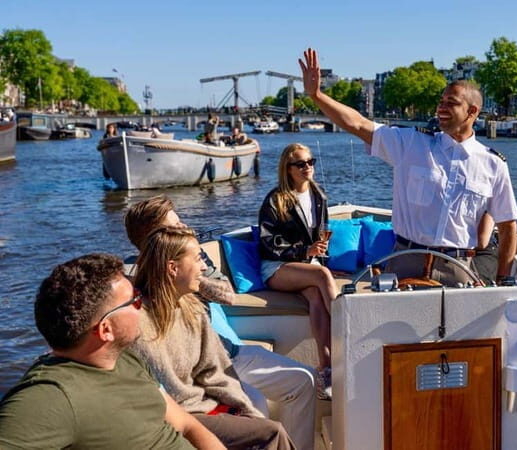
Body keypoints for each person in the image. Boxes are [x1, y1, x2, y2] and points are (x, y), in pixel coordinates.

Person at [299, 48, 517, 286]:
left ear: (472, 112)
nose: (441, 108)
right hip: (406, 261)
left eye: (451, 103)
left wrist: (504, 281)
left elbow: (508, 226)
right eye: (441, 101)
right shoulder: (411, 143)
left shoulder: (493, 164)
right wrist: (317, 96)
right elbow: (358, 124)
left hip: (459, 269)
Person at [124, 195, 316, 450]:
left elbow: (228, 295)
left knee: (304, 381)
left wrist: (190, 275)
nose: (185, 229)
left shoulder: (193, 261)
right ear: (154, 238)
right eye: (175, 227)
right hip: (194, 373)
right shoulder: (130, 286)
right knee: (256, 405)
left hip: (228, 352)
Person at [0, 253, 224, 449]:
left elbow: (186, 425)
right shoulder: (51, 396)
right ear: (106, 329)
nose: (142, 306)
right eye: (135, 301)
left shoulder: (125, 358)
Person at [258, 142, 336, 399]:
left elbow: (319, 235)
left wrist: (319, 250)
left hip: (306, 265)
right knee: (322, 277)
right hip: (277, 266)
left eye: (310, 162)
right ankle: (346, 325)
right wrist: (305, 251)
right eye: (301, 164)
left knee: (315, 294)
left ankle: (326, 368)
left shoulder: (318, 195)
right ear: (288, 169)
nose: (308, 168)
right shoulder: (275, 200)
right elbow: (268, 244)